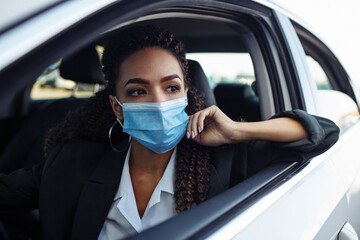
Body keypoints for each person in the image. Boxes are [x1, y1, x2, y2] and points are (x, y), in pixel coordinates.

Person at [0, 25, 339, 240]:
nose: (159, 102)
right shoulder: (72, 162)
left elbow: (323, 131)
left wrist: (237, 131)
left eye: (171, 87)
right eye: (137, 91)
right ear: (118, 107)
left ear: (187, 96)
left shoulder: (227, 158)